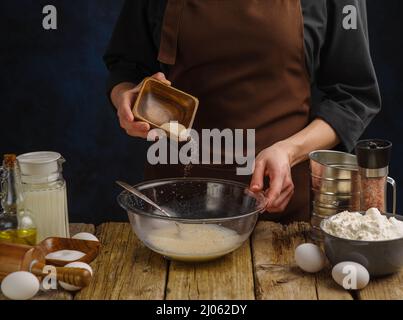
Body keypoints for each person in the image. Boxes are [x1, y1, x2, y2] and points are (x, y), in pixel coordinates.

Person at [104, 0, 381, 222]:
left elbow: (353, 97)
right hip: (170, 211)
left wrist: (289, 150)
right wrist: (125, 100)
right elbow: (126, 67)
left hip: (279, 218)